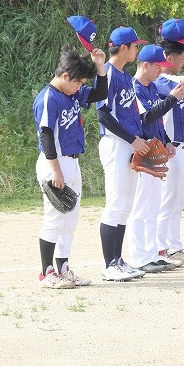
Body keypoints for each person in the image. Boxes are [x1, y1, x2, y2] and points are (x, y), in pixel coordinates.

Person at [33, 45, 108, 288]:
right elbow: (46, 135)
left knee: (70, 221)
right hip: (54, 162)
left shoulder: (71, 93)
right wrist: (56, 170)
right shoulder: (48, 98)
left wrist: (100, 66)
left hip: (72, 162)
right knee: (55, 218)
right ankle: (46, 273)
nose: (80, 87)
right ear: (65, 76)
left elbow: (100, 93)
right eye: (78, 83)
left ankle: (63, 269)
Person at [96, 26, 149, 282]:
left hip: (129, 143)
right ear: (124, 48)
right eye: (135, 46)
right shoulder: (107, 73)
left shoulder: (124, 75)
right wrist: (132, 139)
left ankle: (118, 261)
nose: (137, 50)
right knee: (116, 204)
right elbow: (103, 114)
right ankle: (109, 265)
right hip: (115, 143)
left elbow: (131, 113)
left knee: (126, 205)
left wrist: (140, 139)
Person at [129, 44, 184, 273]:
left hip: (156, 150)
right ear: (145, 65)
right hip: (143, 153)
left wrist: (167, 140)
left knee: (153, 207)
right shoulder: (134, 88)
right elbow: (146, 118)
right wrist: (171, 99)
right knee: (141, 207)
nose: (161, 70)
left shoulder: (151, 87)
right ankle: (139, 257)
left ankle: (152, 254)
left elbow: (158, 122)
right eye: (158, 66)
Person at [155, 18, 184, 265]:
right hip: (168, 148)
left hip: (182, 148)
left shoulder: (172, 80)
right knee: (166, 201)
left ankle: (173, 245)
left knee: (177, 202)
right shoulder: (162, 80)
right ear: (169, 58)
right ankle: (161, 248)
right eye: (181, 57)